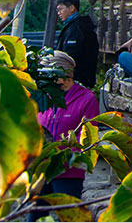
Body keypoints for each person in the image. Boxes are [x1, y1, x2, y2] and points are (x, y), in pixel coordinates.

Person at [36, 51, 100, 201]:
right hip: (40, 169)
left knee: (67, 212)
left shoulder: (87, 99)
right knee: (34, 212)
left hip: (69, 172)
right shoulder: (43, 96)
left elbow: (87, 138)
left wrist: (62, 159)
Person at [53, 0, 98, 88]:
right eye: (57, 10)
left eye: (61, 9)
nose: (59, 13)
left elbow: (70, 56)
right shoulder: (75, 26)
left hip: (76, 81)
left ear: (72, 8)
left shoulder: (77, 28)